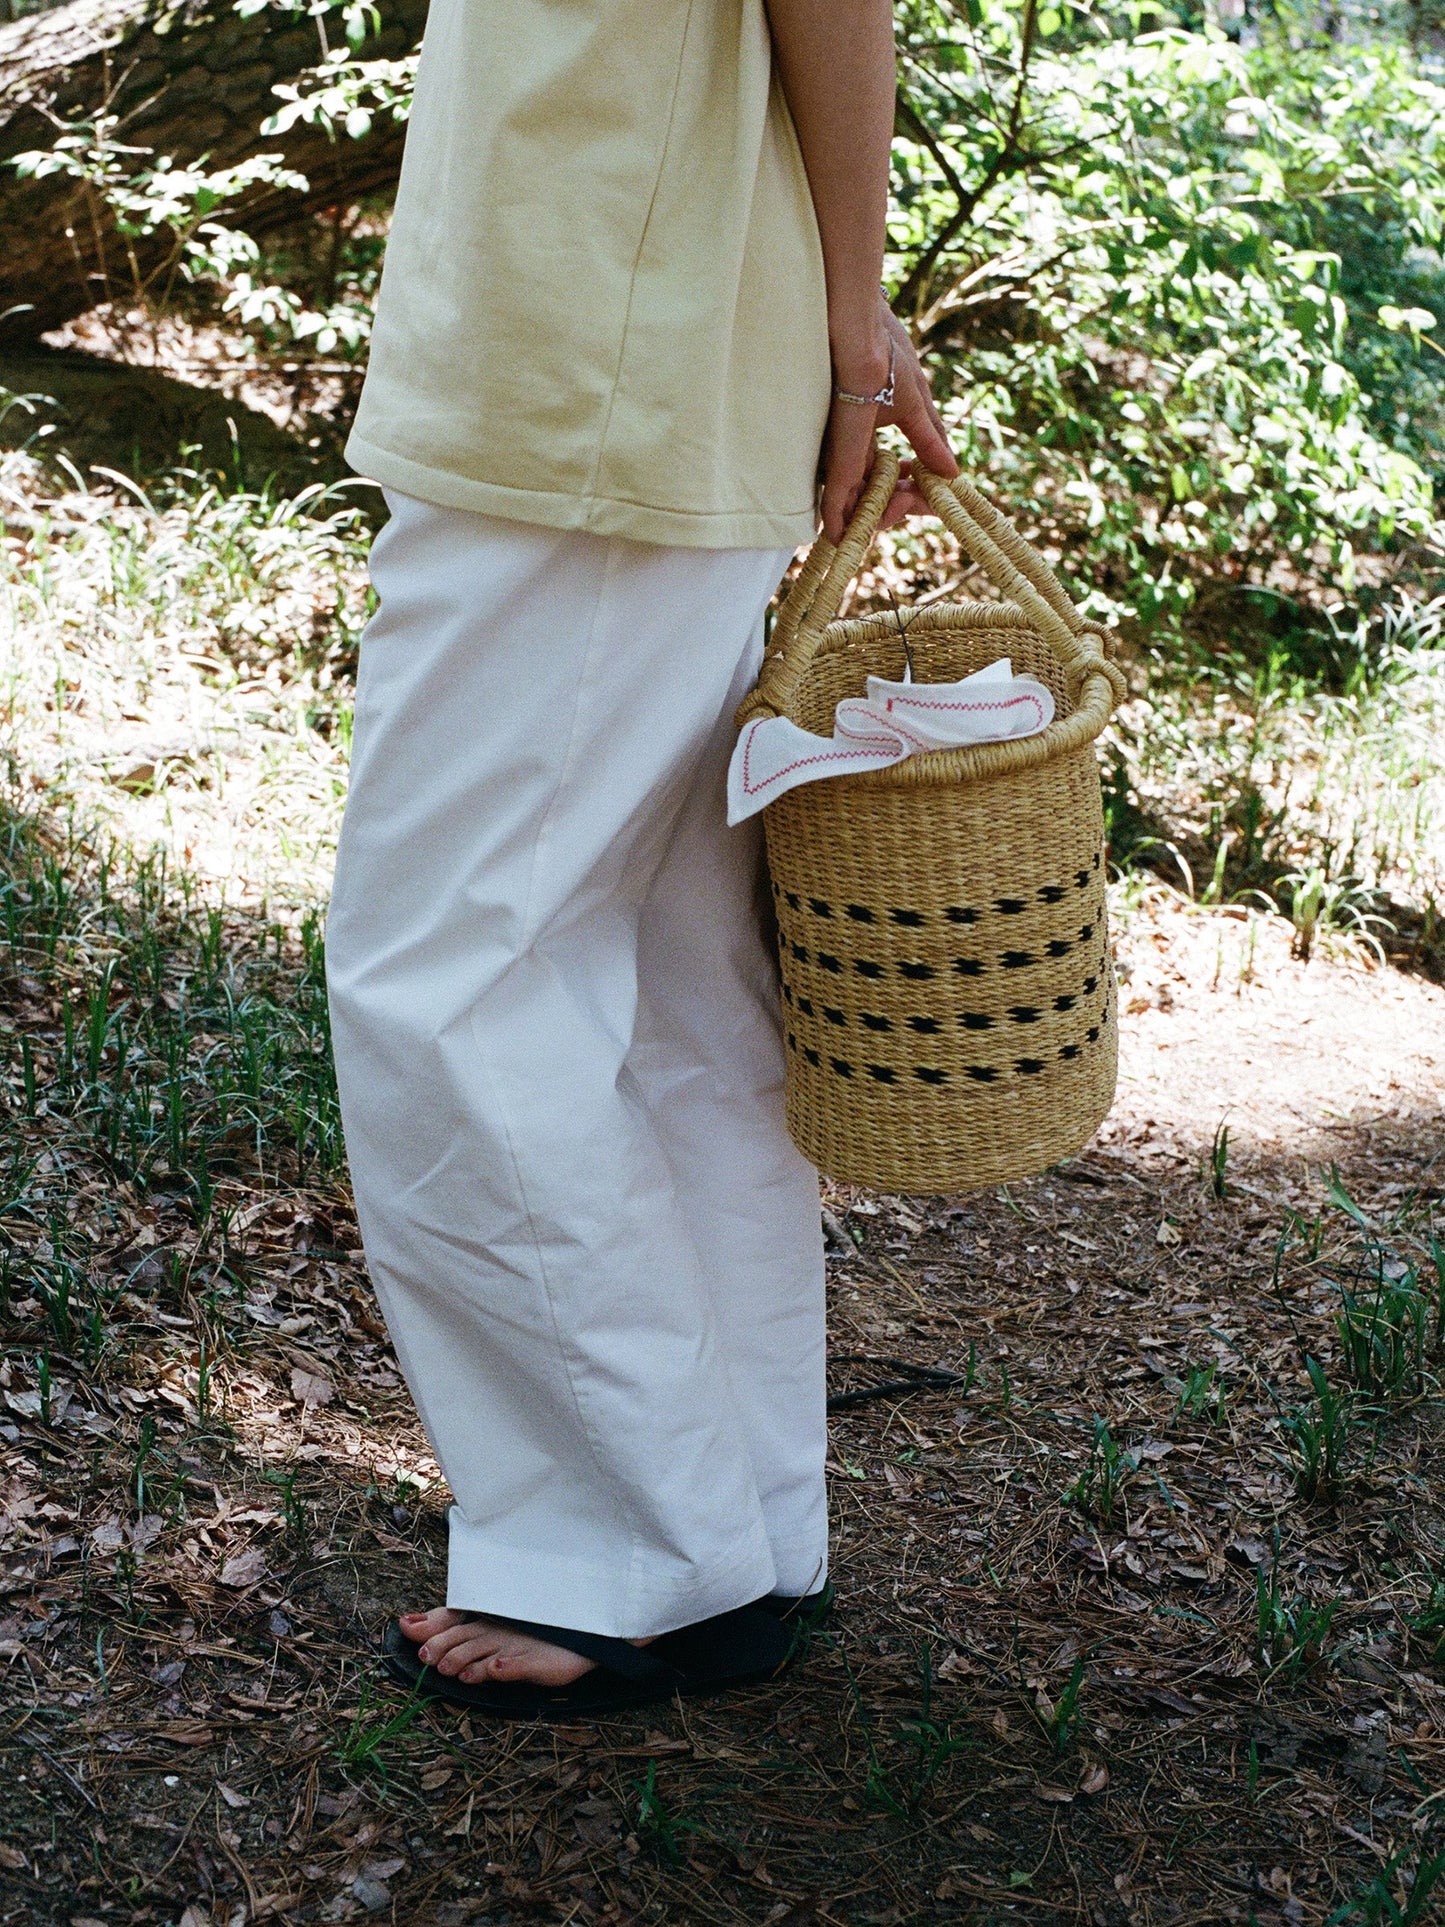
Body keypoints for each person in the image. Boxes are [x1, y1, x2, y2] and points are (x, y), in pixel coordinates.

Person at [325, 0, 959, 1718]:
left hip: (587, 363)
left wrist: (848, 327)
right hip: (617, 337)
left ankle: (632, 1552)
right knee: (668, 994)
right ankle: (726, 1526)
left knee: (449, 975)